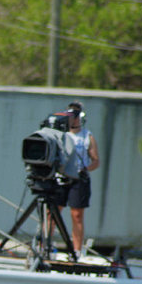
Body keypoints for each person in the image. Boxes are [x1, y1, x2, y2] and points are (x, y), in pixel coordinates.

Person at [58, 101, 100, 255]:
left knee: (77, 214)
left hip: (78, 177)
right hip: (61, 176)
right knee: (53, 211)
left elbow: (96, 160)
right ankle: (45, 246)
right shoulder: (61, 134)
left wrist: (85, 169)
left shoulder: (87, 136)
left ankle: (77, 250)